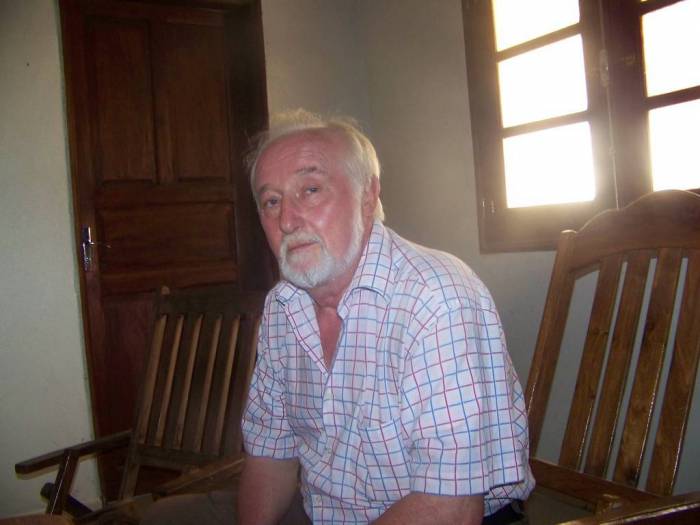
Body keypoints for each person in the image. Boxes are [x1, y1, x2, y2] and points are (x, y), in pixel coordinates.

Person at [142, 109, 534, 525]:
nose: (286, 220)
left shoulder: (435, 298)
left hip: (450, 517)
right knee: (161, 518)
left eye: (310, 190)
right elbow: (271, 457)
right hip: (325, 511)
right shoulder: (282, 308)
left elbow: (450, 509)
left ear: (368, 196)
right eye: (271, 201)